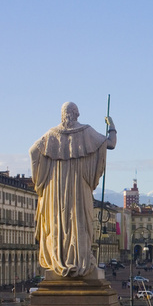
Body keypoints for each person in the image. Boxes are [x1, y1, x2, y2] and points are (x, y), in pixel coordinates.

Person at [30, 102, 117, 278]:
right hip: (79, 185)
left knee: (59, 223)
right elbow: (111, 144)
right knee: (80, 222)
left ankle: (59, 259)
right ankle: (80, 259)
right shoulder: (86, 131)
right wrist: (112, 127)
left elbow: (33, 151)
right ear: (77, 114)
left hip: (56, 188)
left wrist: (39, 179)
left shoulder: (51, 135)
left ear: (63, 115)